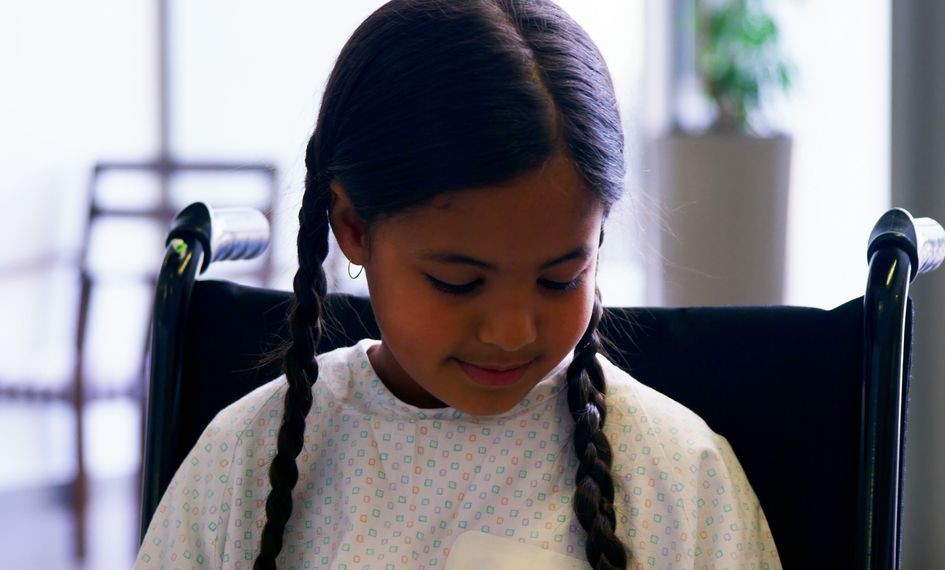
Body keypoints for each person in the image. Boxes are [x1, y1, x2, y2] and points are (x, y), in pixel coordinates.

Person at [136, 0, 781, 568]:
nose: (512, 330)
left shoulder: (678, 478)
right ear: (354, 228)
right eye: (457, 282)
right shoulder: (245, 463)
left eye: (561, 279)